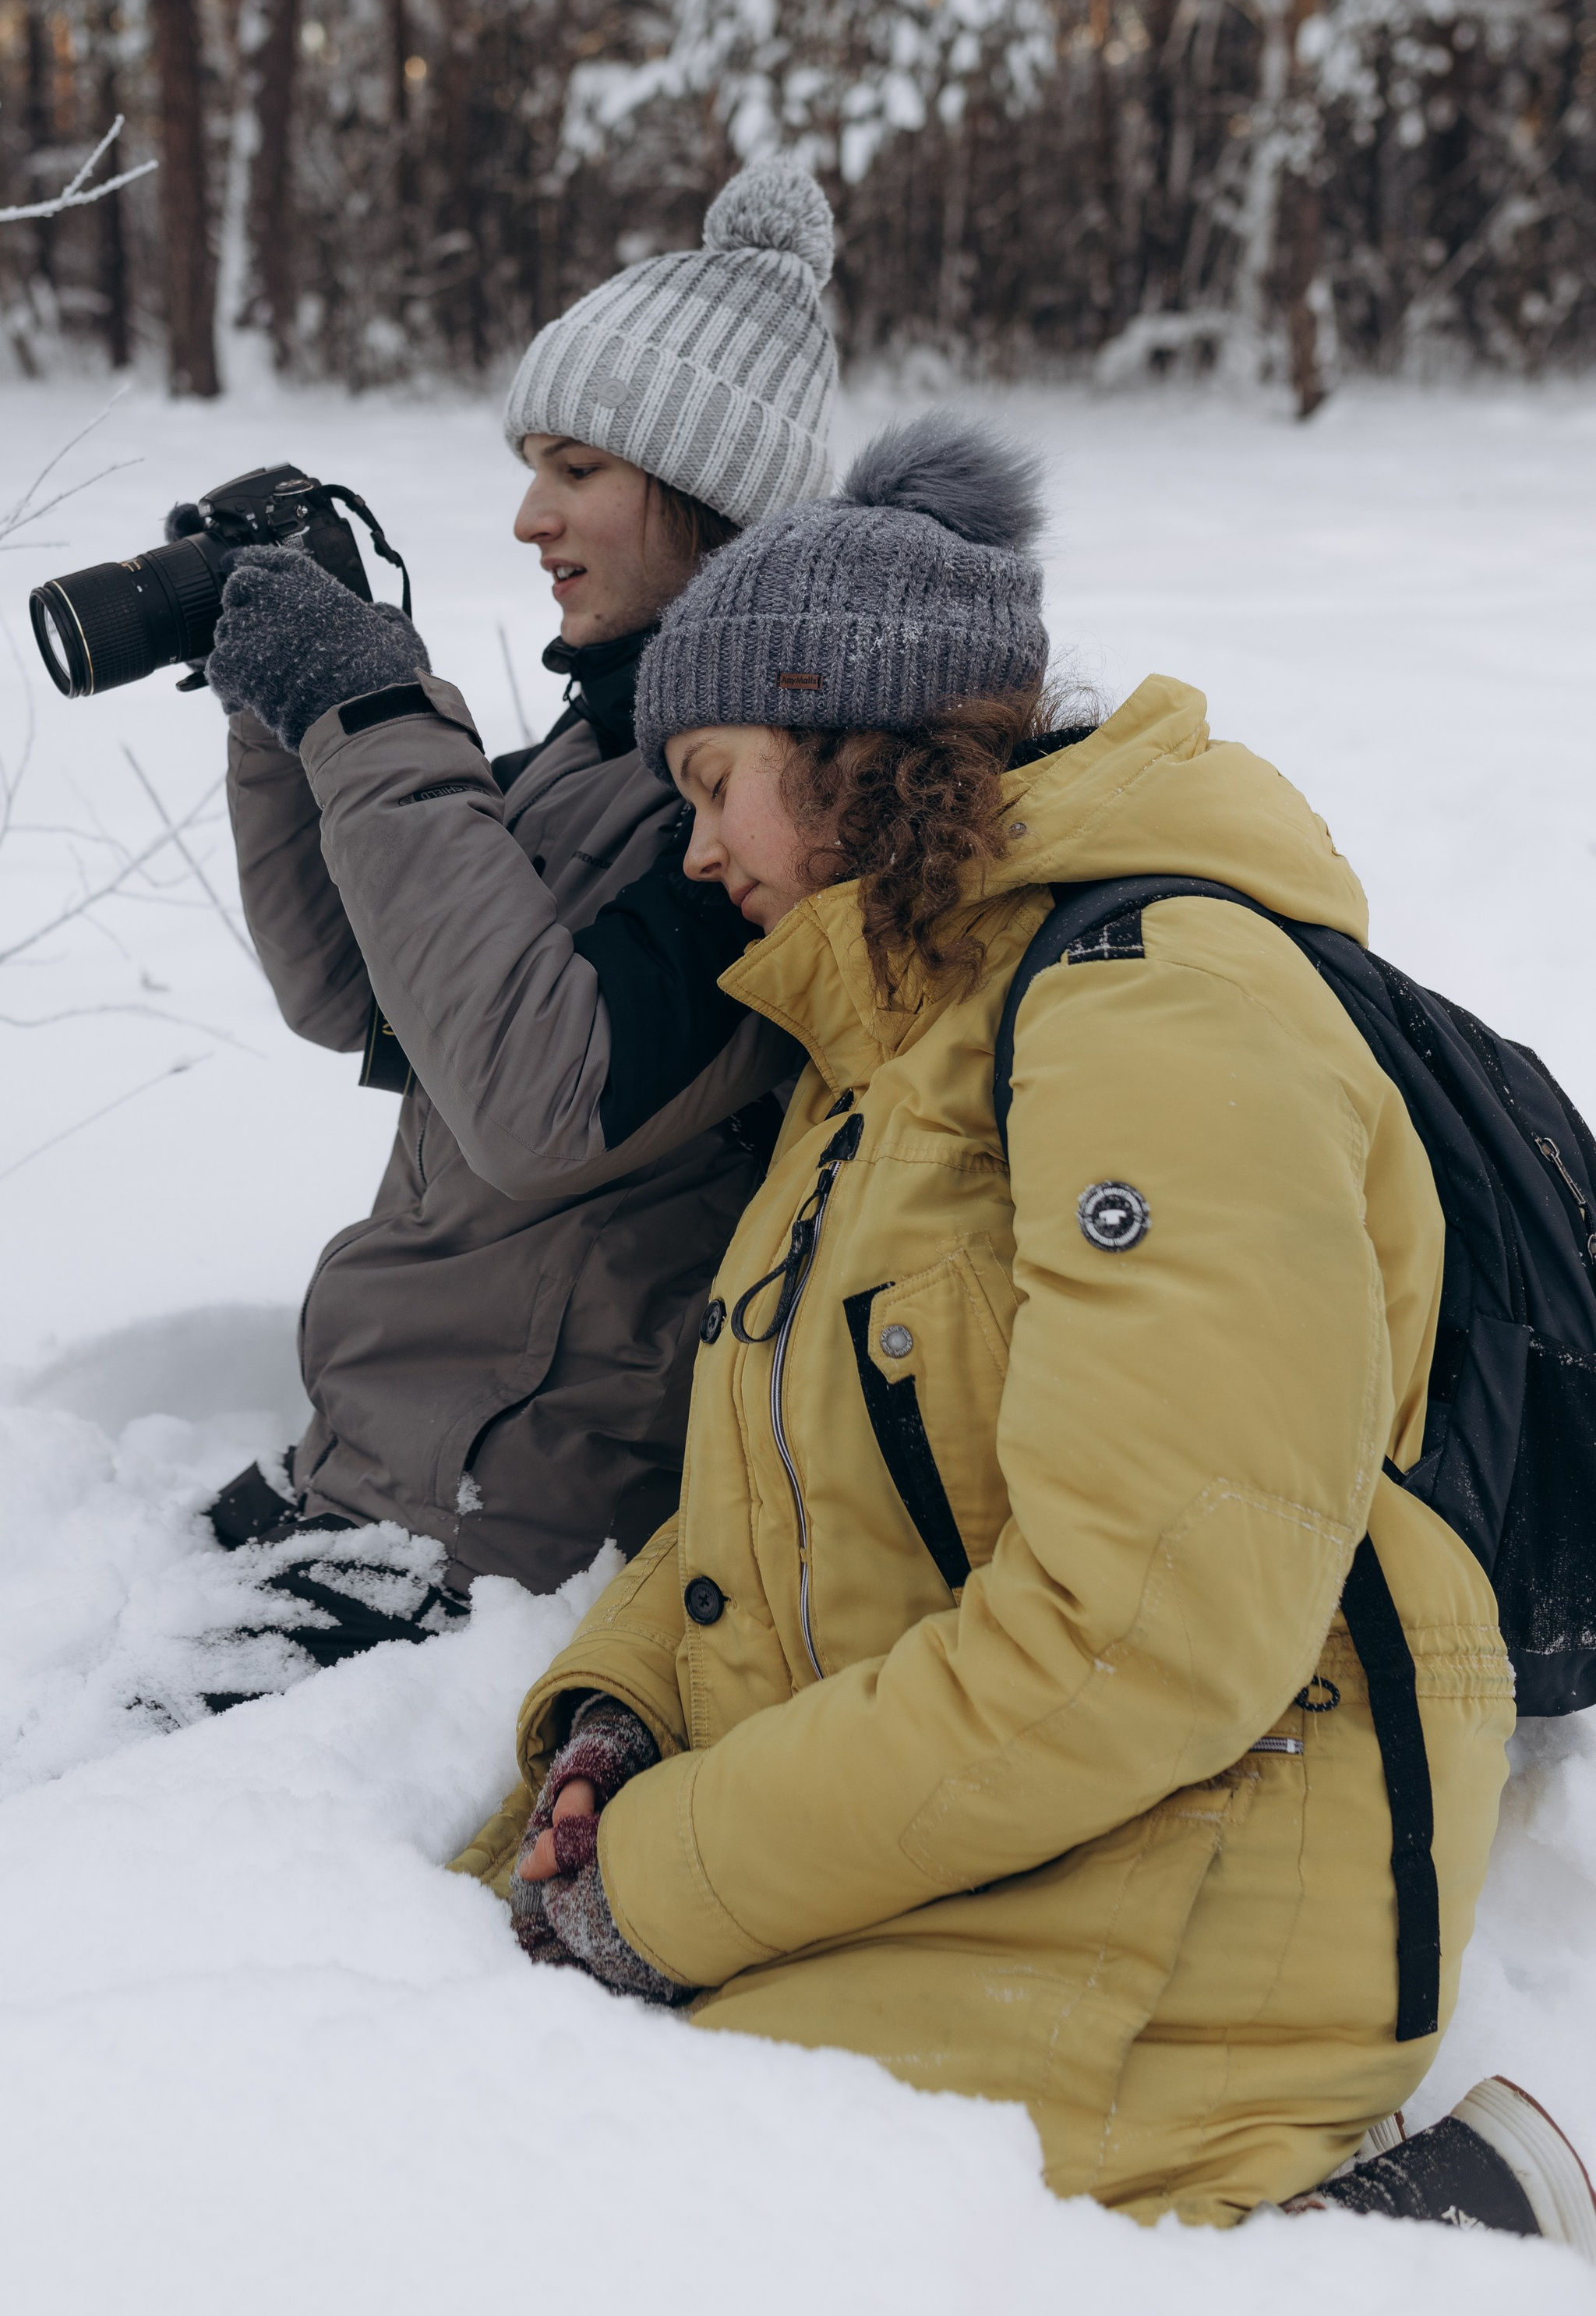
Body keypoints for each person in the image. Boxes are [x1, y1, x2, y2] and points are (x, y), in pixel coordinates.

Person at [457, 409, 1595, 2249]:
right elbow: (777, 1481)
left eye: (714, 779)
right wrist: (618, 1717)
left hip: (1191, 1899)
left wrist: (668, 1882)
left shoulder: (1156, 1021)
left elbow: (1151, 1632)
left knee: (568, 2198)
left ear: (847, 753)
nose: (690, 854)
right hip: (1021, 1838)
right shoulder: (897, 1055)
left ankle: (1401, 2234)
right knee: (466, 2081)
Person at [193, 159, 839, 1670]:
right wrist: (291, 706)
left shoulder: (775, 807)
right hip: (380, 1475)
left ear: (706, 492)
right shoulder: (598, 742)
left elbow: (541, 1105)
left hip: (511, 1541)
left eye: (573, 470)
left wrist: (370, 712)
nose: (526, 518)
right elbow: (352, 994)